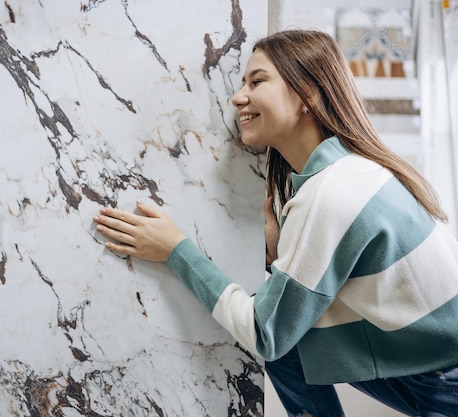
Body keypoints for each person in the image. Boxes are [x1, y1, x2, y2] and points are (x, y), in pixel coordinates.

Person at [92, 29, 458, 416]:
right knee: (288, 341)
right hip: (430, 366)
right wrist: (278, 254)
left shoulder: (331, 192)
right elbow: (295, 314)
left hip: (444, 381)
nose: (237, 96)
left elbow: (264, 334)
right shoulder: (349, 173)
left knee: (275, 336)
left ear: (307, 95)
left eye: (257, 81)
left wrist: (175, 251)